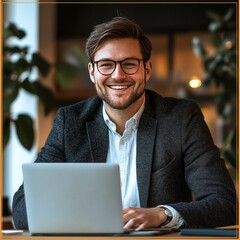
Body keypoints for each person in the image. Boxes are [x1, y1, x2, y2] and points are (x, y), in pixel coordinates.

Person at [12, 16, 236, 230]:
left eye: (129, 64)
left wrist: (162, 214)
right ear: (92, 72)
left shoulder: (181, 118)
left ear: (147, 69)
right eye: (106, 65)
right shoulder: (69, 122)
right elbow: (22, 209)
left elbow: (224, 204)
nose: (118, 75)